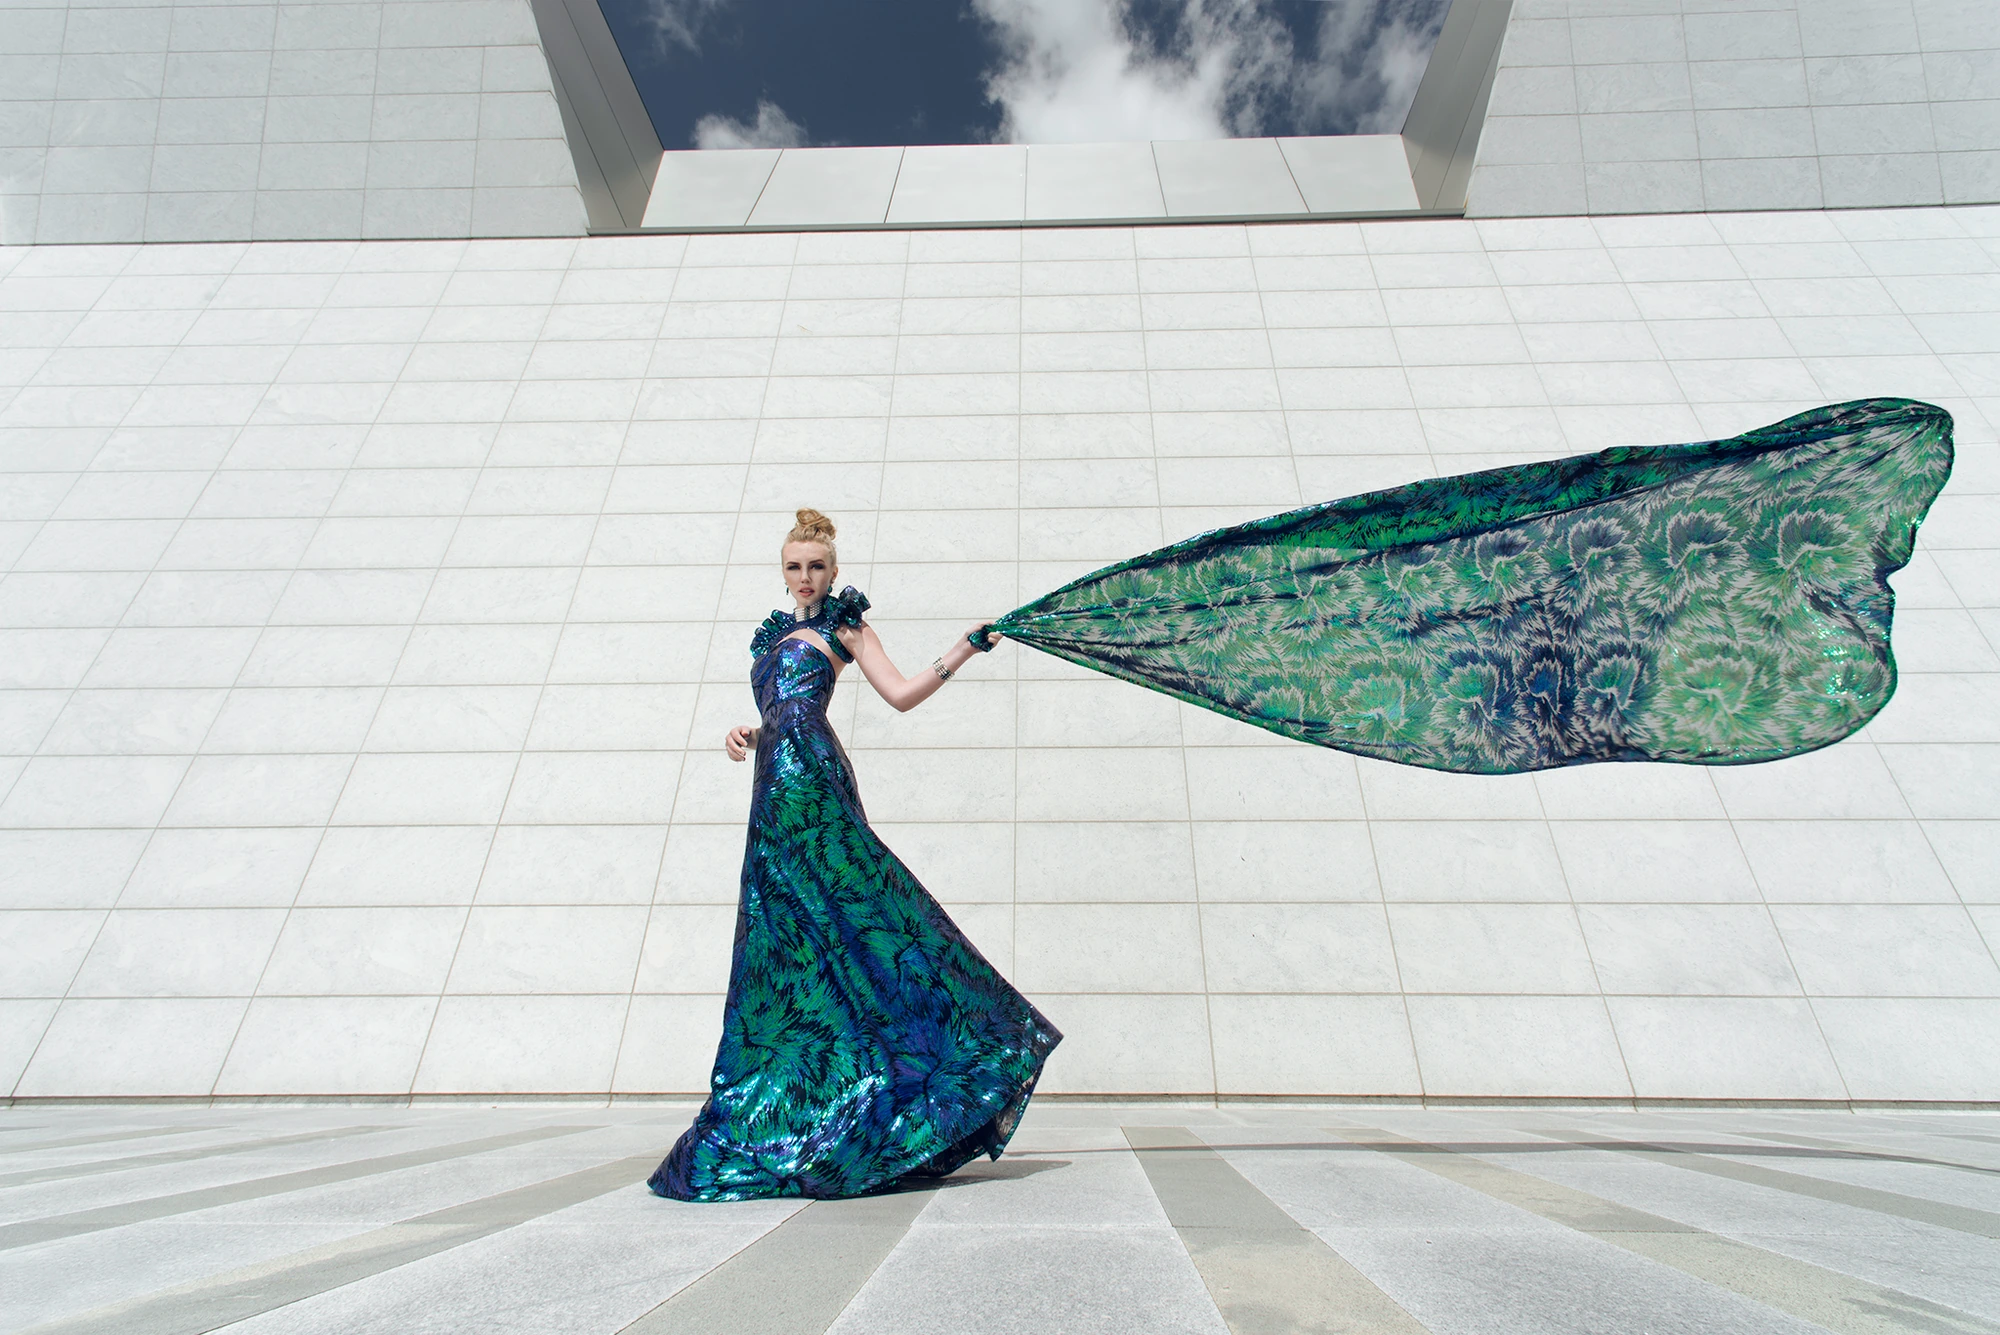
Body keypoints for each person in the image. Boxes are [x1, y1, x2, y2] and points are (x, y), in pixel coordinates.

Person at [649, 508, 1061, 1201]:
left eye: (817, 566)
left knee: (867, 919)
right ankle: (803, 1105)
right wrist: (754, 732)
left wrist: (962, 648)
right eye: (794, 566)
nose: (806, 577)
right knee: (788, 944)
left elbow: (900, 694)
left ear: (833, 572)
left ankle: (971, 1044)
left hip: (813, 783)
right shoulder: (777, 634)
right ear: (782, 572)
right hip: (773, 788)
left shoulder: (846, 627)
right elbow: (788, 705)